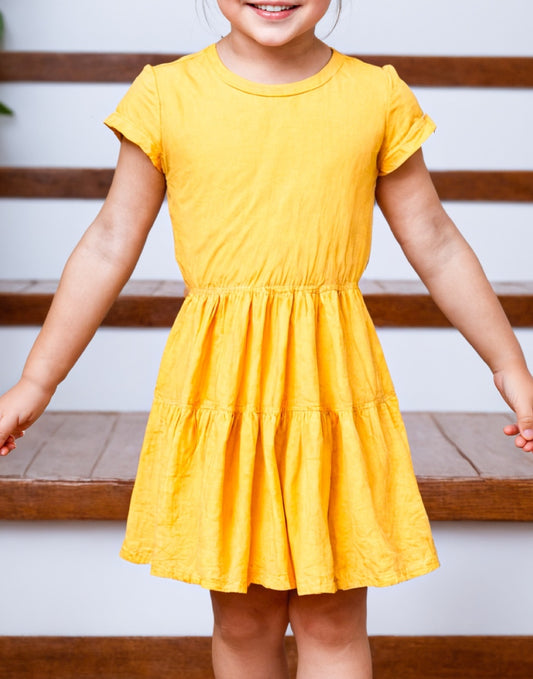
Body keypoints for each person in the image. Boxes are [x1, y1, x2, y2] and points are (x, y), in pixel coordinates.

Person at [1, 1, 533, 677]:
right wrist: (36, 380)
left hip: (330, 387)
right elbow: (108, 243)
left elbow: (435, 241)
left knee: (332, 614)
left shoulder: (374, 96)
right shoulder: (167, 95)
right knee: (243, 614)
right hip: (224, 387)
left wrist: (508, 365)